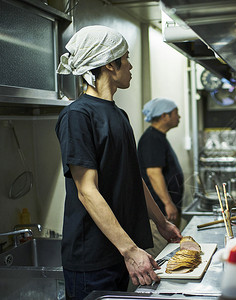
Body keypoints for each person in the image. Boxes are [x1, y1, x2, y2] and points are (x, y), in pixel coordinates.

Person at [55, 25, 182, 300]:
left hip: (120, 251)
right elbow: (87, 191)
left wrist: (161, 222)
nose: (130, 65)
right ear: (111, 64)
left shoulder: (120, 115)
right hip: (92, 259)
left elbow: (133, 178)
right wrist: (130, 250)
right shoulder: (77, 116)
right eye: (125, 57)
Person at [137, 98, 184, 226]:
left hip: (166, 209)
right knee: (163, 245)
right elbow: (153, 173)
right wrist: (168, 203)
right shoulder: (152, 139)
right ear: (164, 116)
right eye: (175, 113)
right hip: (161, 211)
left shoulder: (158, 137)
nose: (179, 116)